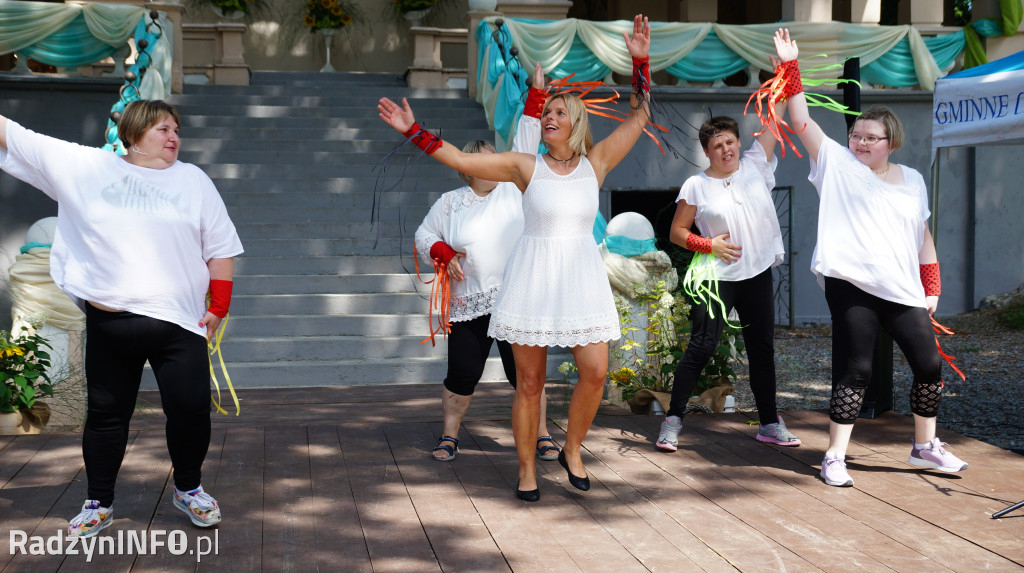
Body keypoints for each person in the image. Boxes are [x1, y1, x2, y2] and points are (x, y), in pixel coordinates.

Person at [380, 14, 652, 502]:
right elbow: (463, 162)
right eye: (545, 112)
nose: (548, 117)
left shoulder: (596, 163)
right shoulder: (526, 167)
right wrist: (413, 130)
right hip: (532, 278)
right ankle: (526, 469)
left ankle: (572, 448)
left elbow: (639, 117)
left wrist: (640, 63)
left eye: (558, 113)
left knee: (595, 371)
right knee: (529, 382)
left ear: (576, 123)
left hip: (580, 280)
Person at [0, 100, 242, 534]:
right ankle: (99, 502)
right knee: (107, 416)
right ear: (132, 135)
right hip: (111, 325)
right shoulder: (88, 167)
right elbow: (18, 137)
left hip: (179, 325)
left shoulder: (194, 181)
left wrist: (218, 308)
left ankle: (189, 490)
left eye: (176, 130)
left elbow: (220, 247)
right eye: (162, 129)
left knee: (191, 410)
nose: (173, 137)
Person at [773, 29, 967, 486]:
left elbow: (924, 238)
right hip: (851, 282)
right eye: (856, 135)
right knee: (855, 370)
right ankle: (835, 456)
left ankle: (924, 446)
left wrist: (932, 287)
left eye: (871, 137)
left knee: (929, 365)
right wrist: (790, 67)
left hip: (902, 288)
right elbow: (801, 119)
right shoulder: (836, 165)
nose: (860, 142)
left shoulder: (913, 180)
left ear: (891, 142)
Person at [415, 64, 561, 464]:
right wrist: (444, 254)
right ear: (466, 168)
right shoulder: (450, 203)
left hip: (517, 298)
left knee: (527, 377)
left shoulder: (516, 188)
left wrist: (536, 94)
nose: (490, 165)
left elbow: (528, 137)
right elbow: (423, 235)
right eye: (481, 160)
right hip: (469, 303)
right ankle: (449, 436)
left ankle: (543, 434)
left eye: (493, 158)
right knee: (462, 374)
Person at [658, 107, 802, 451]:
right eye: (717, 145)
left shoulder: (755, 165)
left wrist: (786, 69)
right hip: (717, 278)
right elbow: (677, 232)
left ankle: (769, 423)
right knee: (702, 346)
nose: (725, 149)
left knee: (762, 349)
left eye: (730, 142)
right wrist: (707, 244)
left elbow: (773, 119)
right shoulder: (697, 185)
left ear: (739, 143)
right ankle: (672, 420)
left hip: (757, 274)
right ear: (706, 152)